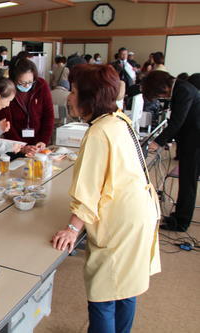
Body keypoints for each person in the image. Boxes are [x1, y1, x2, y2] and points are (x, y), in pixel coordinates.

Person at [52, 64, 161, 333]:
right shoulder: (119, 119)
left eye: (74, 91)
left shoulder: (98, 132)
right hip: (141, 213)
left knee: (103, 292)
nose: (69, 96)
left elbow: (88, 191)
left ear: (89, 98)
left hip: (120, 222)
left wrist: (71, 228)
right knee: (127, 286)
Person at [143, 70, 200, 232]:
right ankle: (179, 215)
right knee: (185, 180)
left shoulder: (183, 90)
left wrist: (158, 142)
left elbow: (177, 122)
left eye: (159, 95)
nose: (162, 98)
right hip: (190, 140)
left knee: (188, 182)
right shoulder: (181, 88)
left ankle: (182, 222)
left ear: (162, 87)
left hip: (195, 142)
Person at [0, 58, 54, 158]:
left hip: (37, 145)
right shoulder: (7, 89)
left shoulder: (41, 85)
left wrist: (43, 140)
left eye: (30, 82)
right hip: (14, 145)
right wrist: (21, 147)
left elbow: (48, 116)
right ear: (14, 79)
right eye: (22, 83)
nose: (27, 86)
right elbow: (6, 123)